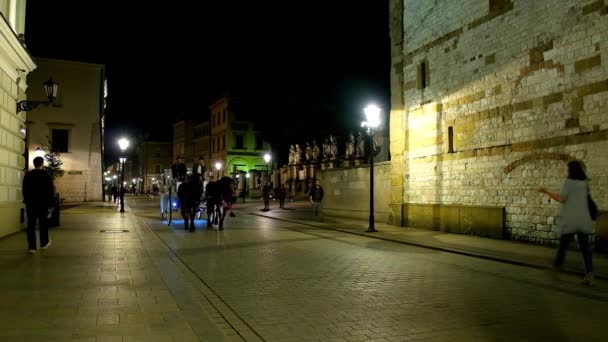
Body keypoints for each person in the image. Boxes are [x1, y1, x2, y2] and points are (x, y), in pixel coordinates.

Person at [538, 160, 594, 285]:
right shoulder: (585, 183)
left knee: (563, 246)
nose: (566, 171)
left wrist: (546, 191)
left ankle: (556, 269)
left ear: (571, 170)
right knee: (585, 248)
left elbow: (561, 198)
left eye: (567, 169)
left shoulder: (568, 182)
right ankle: (590, 274)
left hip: (571, 220)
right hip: (583, 220)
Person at [22, 156, 55, 254]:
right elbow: (50, 190)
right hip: (43, 203)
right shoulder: (46, 175)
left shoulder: (28, 175)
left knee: (31, 225)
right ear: (42, 164)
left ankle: (31, 247)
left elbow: (24, 189)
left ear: (34, 163)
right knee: (43, 223)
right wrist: (50, 203)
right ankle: (44, 243)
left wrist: (27, 200)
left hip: (31, 203)